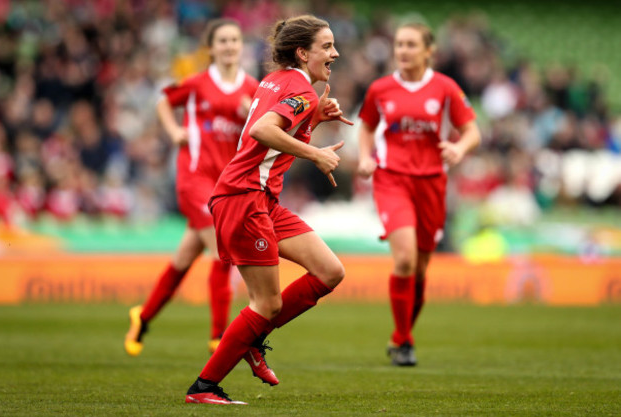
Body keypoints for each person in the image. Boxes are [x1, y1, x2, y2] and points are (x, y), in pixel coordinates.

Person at [184, 15, 353, 405]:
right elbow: (262, 130)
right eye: (326, 46)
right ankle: (204, 387)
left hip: (261, 200)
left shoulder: (278, 81)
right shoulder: (301, 90)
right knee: (267, 303)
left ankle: (252, 336)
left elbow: (272, 131)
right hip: (243, 198)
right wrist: (315, 154)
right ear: (302, 52)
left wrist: (314, 117)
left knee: (330, 271)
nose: (335, 53)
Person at [125, 19, 259, 356]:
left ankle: (143, 315)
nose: (229, 46)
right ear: (211, 48)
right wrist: (173, 132)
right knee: (221, 247)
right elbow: (162, 101)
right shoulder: (197, 83)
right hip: (194, 178)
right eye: (223, 40)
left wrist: (251, 117)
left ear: (241, 46)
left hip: (227, 182)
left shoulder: (253, 88)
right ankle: (218, 337)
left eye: (235, 40)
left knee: (185, 257)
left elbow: (263, 131)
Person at [357, 22, 481, 366]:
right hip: (391, 180)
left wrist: (459, 149)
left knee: (421, 270)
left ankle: (400, 337)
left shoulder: (444, 88)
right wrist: (367, 157)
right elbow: (366, 126)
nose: (403, 50)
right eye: (399, 44)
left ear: (429, 51)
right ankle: (405, 341)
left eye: (411, 44)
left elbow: (472, 131)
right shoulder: (380, 89)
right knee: (406, 259)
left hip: (431, 184)